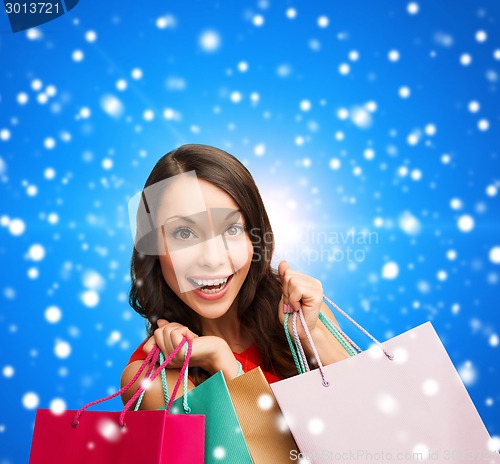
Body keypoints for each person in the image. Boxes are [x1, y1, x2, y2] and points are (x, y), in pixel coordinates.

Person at [120, 144, 351, 410]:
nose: (213, 258)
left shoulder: (302, 314)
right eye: (184, 234)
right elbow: (279, 452)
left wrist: (314, 337)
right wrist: (224, 363)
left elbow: (376, 415)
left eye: (231, 229)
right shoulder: (153, 378)